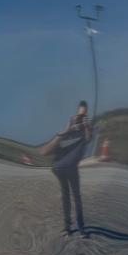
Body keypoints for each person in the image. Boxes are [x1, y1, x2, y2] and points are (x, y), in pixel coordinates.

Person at [45, 101, 92, 235]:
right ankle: (67, 227)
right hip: (62, 167)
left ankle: (81, 228)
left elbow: (89, 138)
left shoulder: (86, 128)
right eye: (79, 115)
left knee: (77, 198)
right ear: (76, 113)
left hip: (73, 168)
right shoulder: (70, 123)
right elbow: (60, 140)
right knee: (65, 196)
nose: (80, 118)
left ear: (86, 114)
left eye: (83, 115)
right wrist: (69, 127)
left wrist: (86, 125)